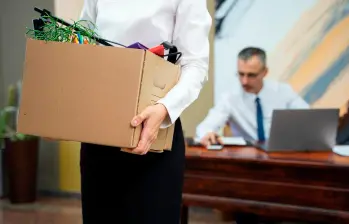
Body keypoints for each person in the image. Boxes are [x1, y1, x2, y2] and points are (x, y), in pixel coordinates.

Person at [78, 0, 212, 223]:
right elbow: (82, 40)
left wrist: (164, 108)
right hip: (99, 134)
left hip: (156, 133)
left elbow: (196, 65)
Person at [196, 47, 310, 148]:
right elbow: (206, 126)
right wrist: (208, 133)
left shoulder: (283, 91)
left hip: (281, 154)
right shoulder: (230, 98)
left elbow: (309, 117)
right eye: (241, 74)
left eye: (251, 75)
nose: (244, 81)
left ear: (265, 72)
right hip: (249, 158)